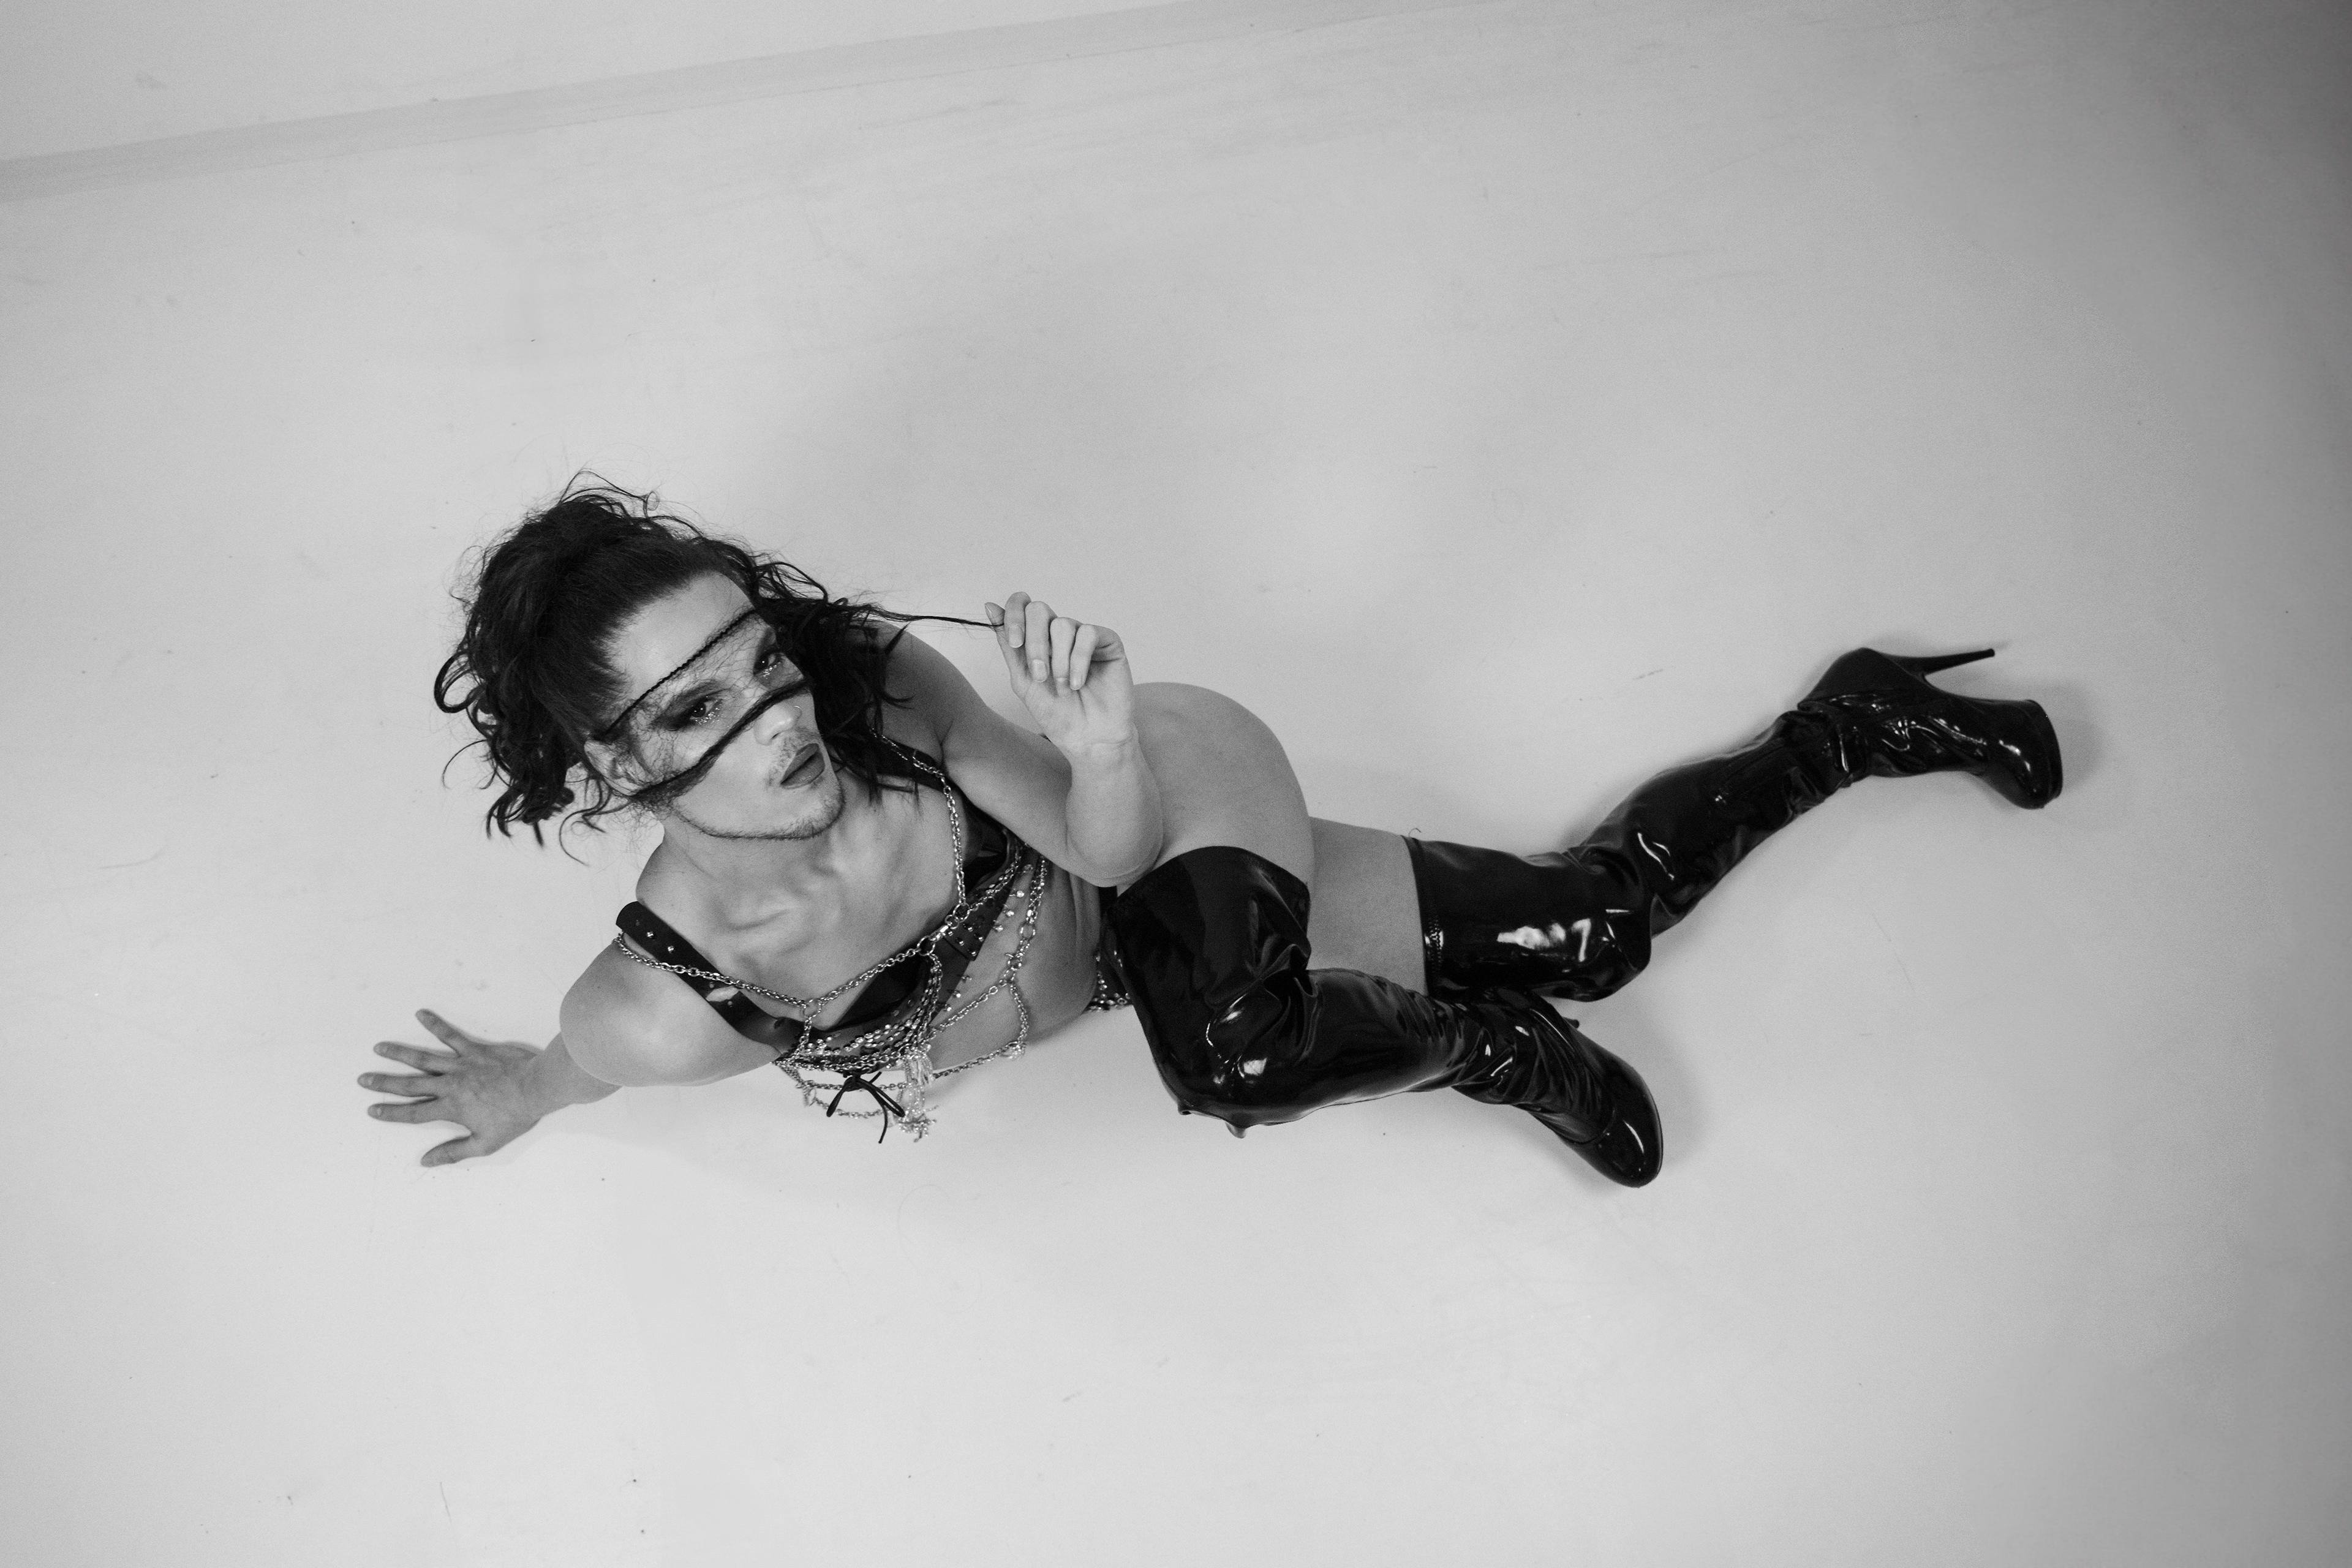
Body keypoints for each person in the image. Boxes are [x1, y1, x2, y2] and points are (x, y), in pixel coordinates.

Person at [360, 483, 2062, 1185]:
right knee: (1595, 931)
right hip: (1142, 960)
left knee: (1239, 1054)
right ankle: (1845, 722)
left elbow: (1105, 856)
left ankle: (1500, 1048)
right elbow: (584, 1063)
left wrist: (1099, 742)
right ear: (607, 770)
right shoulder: (669, 1008)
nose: (773, 720)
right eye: (690, 716)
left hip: (1157, 808)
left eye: (758, 662)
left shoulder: (874, 697)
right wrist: (525, 1087)